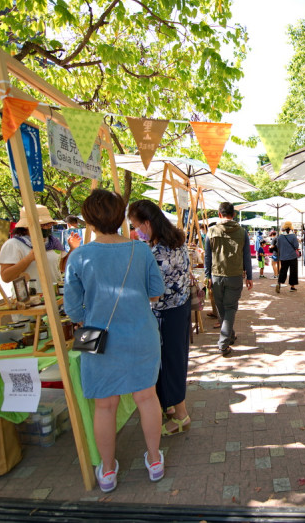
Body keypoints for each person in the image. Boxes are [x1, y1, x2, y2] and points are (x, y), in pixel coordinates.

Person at [64, 189, 166, 492]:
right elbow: (156, 292)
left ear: (89, 220)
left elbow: (72, 310)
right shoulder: (141, 250)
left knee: (104, 406)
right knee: (147, 398)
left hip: (94, 335)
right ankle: (154, 460)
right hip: (141, 333)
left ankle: (107, 471)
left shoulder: (78, 256)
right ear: (122, 215)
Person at [128, 199, 192, 437]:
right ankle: (173, 409)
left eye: (136, 226)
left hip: (166, 313)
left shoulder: (156, 251)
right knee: (174, 361)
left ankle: (181, 415)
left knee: (170, 364)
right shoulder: (177, 241)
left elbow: (154, 292)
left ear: (147, 223)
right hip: (180, 309)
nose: (136, 231)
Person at [204, 202, 253, 356]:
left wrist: (207, 275)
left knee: (223, 308)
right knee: (230, 308)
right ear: (233, 214)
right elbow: (247, 256)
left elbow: (207, 256)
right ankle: (227, 338)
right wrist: (249, 276)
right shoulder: (242, 231)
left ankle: (224, 342)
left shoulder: (211, 231)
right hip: (235, 276)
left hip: (216, 276)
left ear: (219, 214)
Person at [0, 204, 64, 285]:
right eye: (43, 224)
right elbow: (6, 277)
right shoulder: (13, 244)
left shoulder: (54, 243)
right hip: (31, 296)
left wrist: (73, 248)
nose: (47, 227)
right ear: (26, 226)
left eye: (49, 224)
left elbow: (62, 268)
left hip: (54, 295)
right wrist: (28, 259)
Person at [275, 221, 300, 293]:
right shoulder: (293, 236)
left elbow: (277, 246)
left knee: (283, 271)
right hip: (292, 256)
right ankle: (292, 286)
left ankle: (279, 283)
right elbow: (296, 246)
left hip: (283, 257)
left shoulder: (280, 237)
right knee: (293, 272)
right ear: (291, 228)